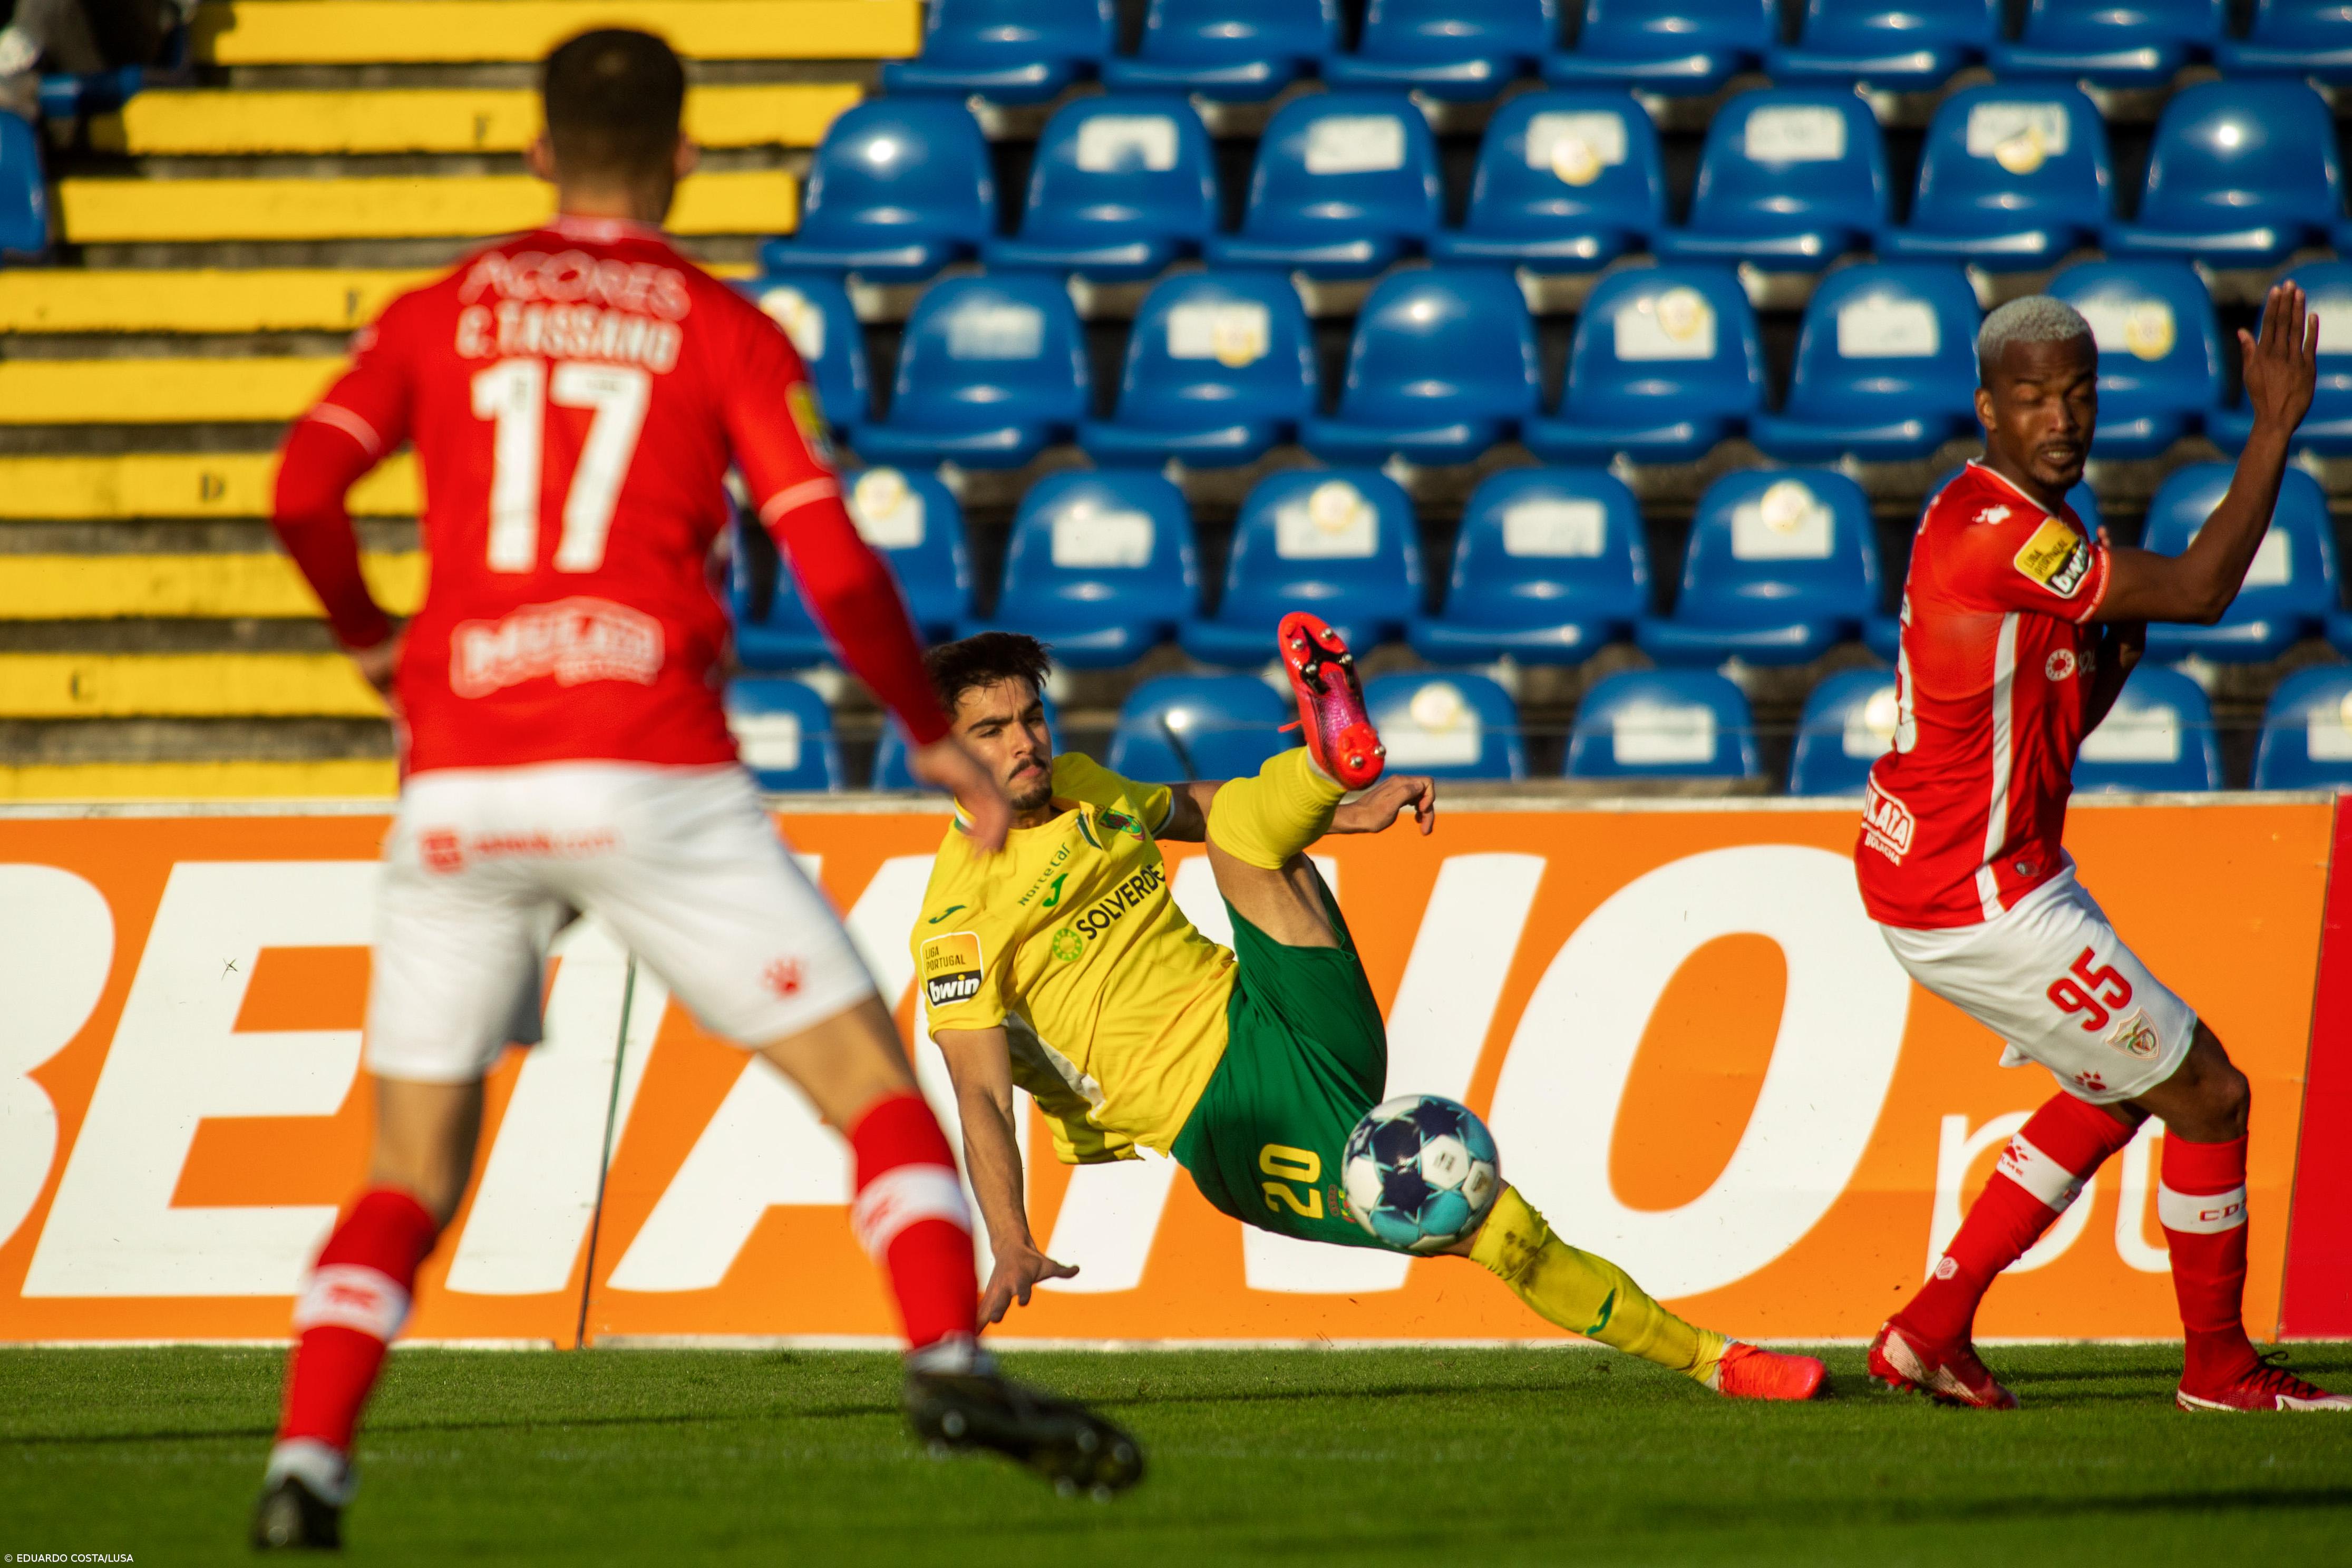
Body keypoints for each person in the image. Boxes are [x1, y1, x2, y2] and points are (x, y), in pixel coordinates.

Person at [251, 29, 1140, 1550]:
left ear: (534, 152)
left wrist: (373, 645)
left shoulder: (439, 313)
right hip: (651, 763)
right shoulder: (715, 326)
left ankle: (307, 1470)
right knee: (869, 1086)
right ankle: (944, 1361)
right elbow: (827, 548)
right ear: (686, 158)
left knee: (407, 1171)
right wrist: (922, 729)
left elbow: (300, 491)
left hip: (465, 782)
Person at [910, 619, 1830, 1400]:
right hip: (1230, 1120)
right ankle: (1718, 1360)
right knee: (1494, 1228)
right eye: (992, 731)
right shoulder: (961, 922)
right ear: (947, 752)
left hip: (1277, 1009)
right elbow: (983, 1097)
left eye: (1030, 716)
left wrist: (1342, 814)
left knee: (1238, 833)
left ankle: (1327, 766)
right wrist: (1012, 1237)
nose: (1024, 741)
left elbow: (1185, 806)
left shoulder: (1082, 787)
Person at [1857, 285, 2349, 1414]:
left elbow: (2055, 721)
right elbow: (2202, 588)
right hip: (1969, 893)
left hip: (1964, 872)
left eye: (2076, 393)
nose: (2058, 417)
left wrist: (2108, 660)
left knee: (2116, 1084)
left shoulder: (2025, 528)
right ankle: (2219, 1371)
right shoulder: (2000, 535)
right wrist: (2273, 424)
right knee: (2208, 1093)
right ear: (1985, 407)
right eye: (2030, 398)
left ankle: (1927, 1330)